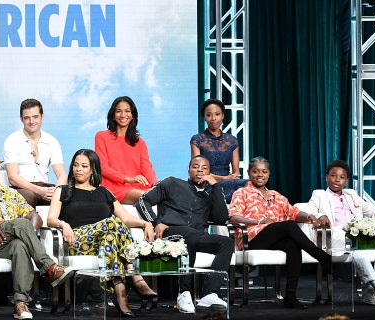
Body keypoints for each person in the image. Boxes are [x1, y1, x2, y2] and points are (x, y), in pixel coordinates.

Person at [0, 150, 75, 320]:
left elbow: (35, 217)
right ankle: (50, 268)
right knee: (21, 224)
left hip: (8, 242)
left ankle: (20, 303)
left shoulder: (12, 194)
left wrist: (25, 233)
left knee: (20, 245)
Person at [46, 149, 157, 317]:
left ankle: (120, 292)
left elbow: (126, 219)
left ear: (93, 169)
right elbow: (51, 219)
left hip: (105, 245)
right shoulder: (63, 191)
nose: (78, 169)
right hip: (78, 241)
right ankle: (135, 276)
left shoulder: (104, 192)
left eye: (84, 166)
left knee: (112, 233)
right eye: (76, 165)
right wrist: (64, 224)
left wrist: (145, 223)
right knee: (112, 222)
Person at [228, 156, 332, 309]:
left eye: (264, 171)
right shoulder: (242, 193)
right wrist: (258, 222)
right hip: (251, 239)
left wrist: (310, 217)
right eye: (255, 171)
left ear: (269, 174)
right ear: (249, 173)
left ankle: (290, 297)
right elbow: (233, 217)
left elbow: (294, 213)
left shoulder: (276, 196)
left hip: (273, 238)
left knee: (292, 244)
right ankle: (321, 256)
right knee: (289, 226)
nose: (260, 175)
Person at [136, 155, 234, 314]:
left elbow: (222, 218)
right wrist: (155, 222)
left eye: (204, 168)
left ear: (210, 172)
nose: (200, 171)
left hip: (196, 237)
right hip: (170, 234)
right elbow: (142, 201)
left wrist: (215, 186)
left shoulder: (209, 198)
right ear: (188, 170)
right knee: (189, 235)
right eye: (196, 167)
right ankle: (184, 292)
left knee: (227, 243)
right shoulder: (172, 183)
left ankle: (210, 293)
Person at [300, 159, 375, 305]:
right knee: (356, 244)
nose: (337, 179)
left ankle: (371, 293)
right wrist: (320, 216)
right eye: (333, 175)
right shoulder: (319, 195)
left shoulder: (351, 194)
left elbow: (370, 210)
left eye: (341, 177)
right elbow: (309, 209)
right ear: (326, 177)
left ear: (347, 181)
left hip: (356, 232)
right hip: (334, 233)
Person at [3, 98, 67, 207]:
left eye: (35, 117)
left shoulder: (52, 141)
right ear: (21, 119)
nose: (31, 122)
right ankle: (28, 224)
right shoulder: (12, 140)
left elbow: (62, 175)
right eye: (27, 118)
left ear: (42, 117)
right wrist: (39, 190)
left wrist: (57, 191)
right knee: (28, 197)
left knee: (68, 199)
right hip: (21, 188)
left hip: (46, 187)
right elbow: (13, 177)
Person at [94, 96, 157, 205]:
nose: (123, 115)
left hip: (137, 186)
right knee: (147, 196)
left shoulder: (140, 142)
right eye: (119, 111)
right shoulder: (102, 136)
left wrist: (156, 185)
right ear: (113, 115)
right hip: (114, 188)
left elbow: (146, 167)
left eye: (127, 111)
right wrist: (128, 179)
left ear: (132, 115)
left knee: (163, 195)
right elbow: (103, 167)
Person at [190, 98, 248, 203]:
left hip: (229, 182)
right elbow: (199, 172)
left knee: (249, 184)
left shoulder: (232, 141)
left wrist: (231, 178)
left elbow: (236, 173)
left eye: (217, 114)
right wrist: (225, 178)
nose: (213, 118)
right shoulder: (197, 140)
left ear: (223, 116)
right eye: (209, 115)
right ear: (204, 117)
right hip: (206, 183)